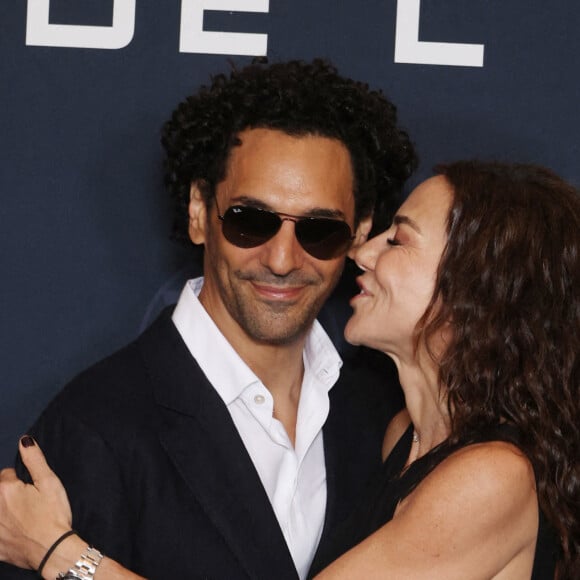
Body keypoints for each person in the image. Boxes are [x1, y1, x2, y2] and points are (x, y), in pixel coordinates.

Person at [1, 160, 578, 579]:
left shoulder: (492, 478)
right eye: (253, 220)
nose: (363, 252)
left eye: (397, 241)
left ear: (473, 291)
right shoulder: (401, 435)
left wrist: (59, 553)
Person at [0, 58, 417, 579]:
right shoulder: (96, 429)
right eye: (250, 221)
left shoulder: (385, 415)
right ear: (200, 212)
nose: (283, 260)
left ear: (359, 233)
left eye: (319, 231)